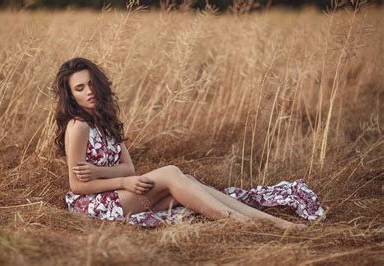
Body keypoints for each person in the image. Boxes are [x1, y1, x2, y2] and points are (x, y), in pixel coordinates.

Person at [53, 57, 317, 230]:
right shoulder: (78, 127)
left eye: (91, 84)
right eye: (80, 88)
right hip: (93, 204)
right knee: (170, 173)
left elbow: (129, 168)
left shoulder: (105, 120)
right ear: (71, 96)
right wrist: (120, 181)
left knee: (187, 182)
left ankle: (273, 223)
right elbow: (78, 185)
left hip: (115, 193)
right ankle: (244, 224)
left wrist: (101, 171)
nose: (89, 91)